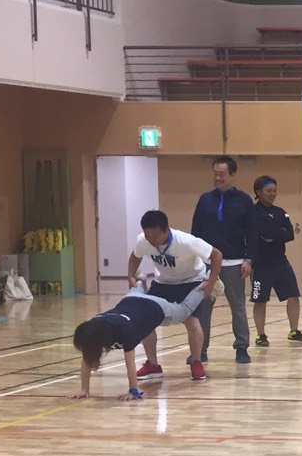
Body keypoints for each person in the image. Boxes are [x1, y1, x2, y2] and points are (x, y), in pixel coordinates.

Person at [127, 209, 221, 384]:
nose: (152, 240)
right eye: (148, 236)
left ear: (167, 229)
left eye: (156, 236)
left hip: (191, 280)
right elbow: (134, 257)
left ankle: (196, 362)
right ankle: (153, 365)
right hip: (163, 282)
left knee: (192, 322)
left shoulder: (186, 241)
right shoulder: (143, 241)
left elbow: (216, 255)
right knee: (145, 320)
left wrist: (211, 282)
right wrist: (131, 276)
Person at [72, 285, 211, 401]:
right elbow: (87, 359)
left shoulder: (124, 330)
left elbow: (130, 363)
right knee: (136, 288)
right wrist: (84, 390)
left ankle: (203, 287)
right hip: (131, 298)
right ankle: (140, 280)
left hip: (156, 306)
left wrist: (133, 391)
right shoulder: (94, 325)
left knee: (184, 311)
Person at [190, 155, 256, 365]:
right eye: (215, 174)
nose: (218, 178)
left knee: (238, 307)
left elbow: (251, 232)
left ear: (232, 175)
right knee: (203, 308)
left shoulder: (244, 200)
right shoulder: (205, 200)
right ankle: (200, 350)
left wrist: (248, 260)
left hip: (234, 263)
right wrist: (195, 260)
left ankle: (242, 347)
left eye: (222, 174)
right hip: (207, 265)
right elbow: (195, 232)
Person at [250, 175, 302, 347]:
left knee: (293, 295)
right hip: (261, 264)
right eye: (268, 191)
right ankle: (261, 335)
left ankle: (294, 331)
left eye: (274, 190)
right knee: (260, 300)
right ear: (258, 192)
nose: (272, 194)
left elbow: (289, 234)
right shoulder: (253, 212)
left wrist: (274, 234)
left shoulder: (281, 212)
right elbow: (262, 231)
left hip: (281, 262)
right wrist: (277, 232)